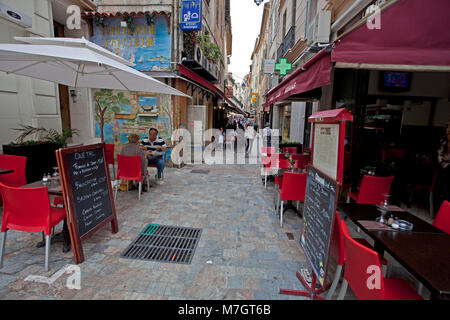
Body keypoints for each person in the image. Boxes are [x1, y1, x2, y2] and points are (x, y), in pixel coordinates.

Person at [437, 121, 450, 208]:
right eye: (447, 129)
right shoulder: (444, 142)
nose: (447, 131)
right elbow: (439, 156)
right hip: (443, 169)